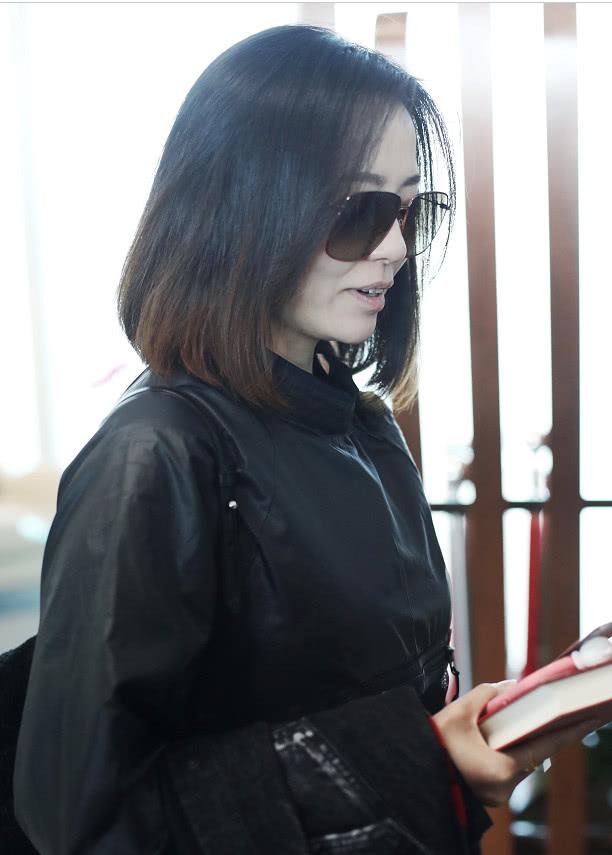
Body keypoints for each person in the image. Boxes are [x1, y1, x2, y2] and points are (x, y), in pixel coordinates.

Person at [13, 23, 606, 855]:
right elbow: (84, 819)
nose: (394, 248)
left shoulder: (366, 429)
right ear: (246, 206)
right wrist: (417, 761)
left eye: (408, 209)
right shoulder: (157, 455)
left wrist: (459, 747)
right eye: (360, 211)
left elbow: (382, 714)